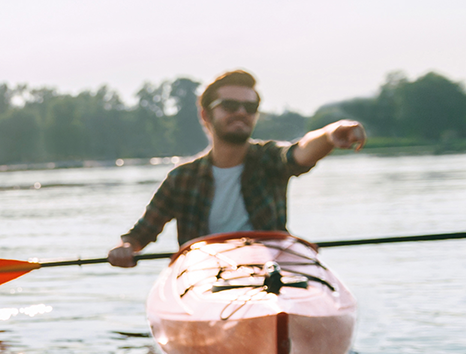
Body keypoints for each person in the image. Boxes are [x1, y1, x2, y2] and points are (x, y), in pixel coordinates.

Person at [107, 70, 367, 267]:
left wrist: (330, 135)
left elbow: (300, 152)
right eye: (230, 106)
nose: (241, 112)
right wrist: (125, 248)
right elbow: (139, 235)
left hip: (270, 269)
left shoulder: (269, 159)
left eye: (250, 107)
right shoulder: (181, 178)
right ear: (206, 115)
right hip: (204, 275)